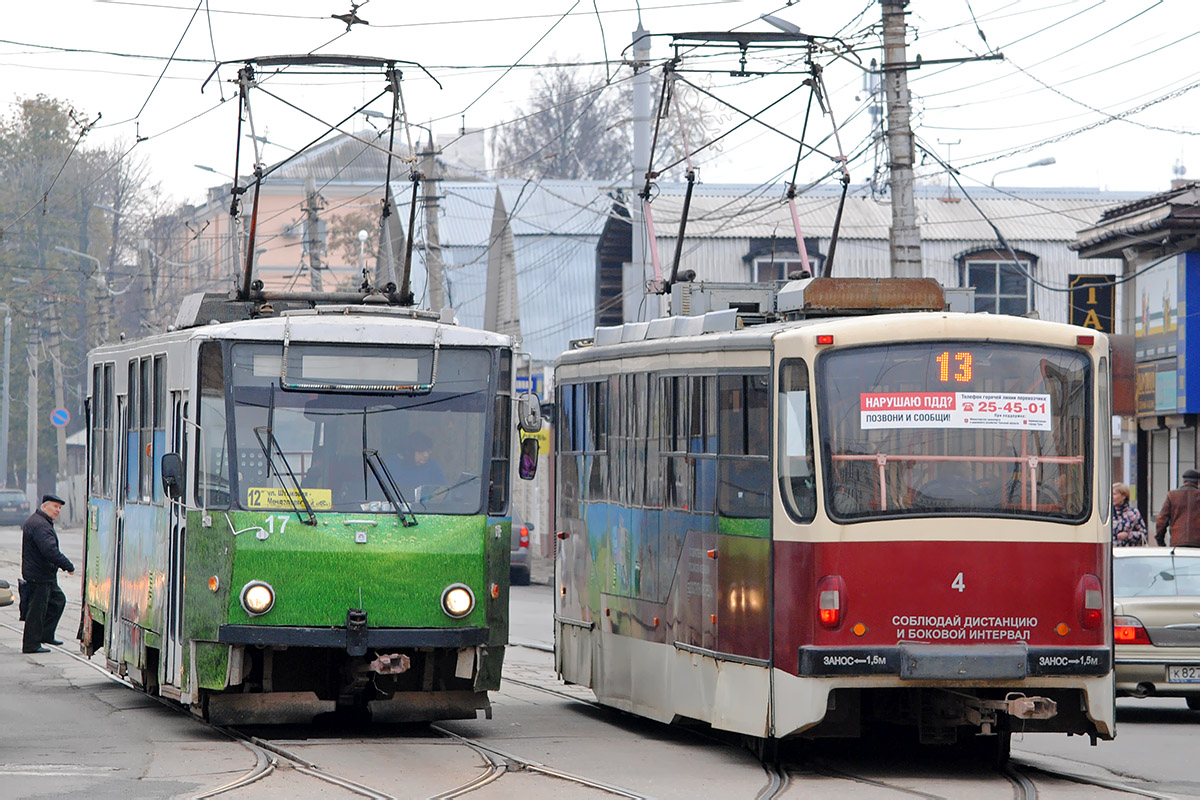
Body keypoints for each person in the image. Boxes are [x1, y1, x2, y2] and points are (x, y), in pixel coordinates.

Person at [21, 493, 74, 654]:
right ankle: (31, 645)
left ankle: (46, 634)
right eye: (55, 506)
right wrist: (67, 565)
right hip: (39, 576)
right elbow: (49, 550)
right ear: (45, 506)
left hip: (44, 575)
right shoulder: (40, 525)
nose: (58, 510)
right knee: (36, 611)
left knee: (57, 601)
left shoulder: (41, 522)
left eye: (59, 508)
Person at [1155, 469, 1200, 547]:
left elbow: (1161, 520)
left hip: (1177, 541)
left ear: (1184, 481)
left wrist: (1160, 540)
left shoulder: (1172, 495)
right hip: (1197, 542)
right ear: (1198, 481)